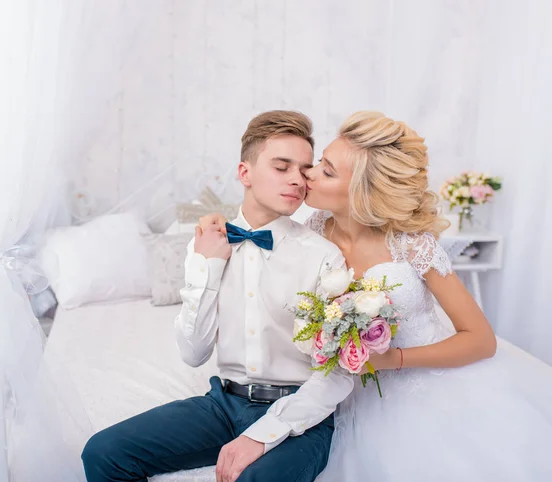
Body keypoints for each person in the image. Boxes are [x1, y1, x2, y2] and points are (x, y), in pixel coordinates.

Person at [199, 111, 552, 481]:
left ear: (361, 191)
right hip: (349, 391)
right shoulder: (312, 232)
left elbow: (481, 340)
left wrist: (393, 359)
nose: (309, 174)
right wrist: (218, 225)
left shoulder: (412, 245)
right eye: (320, 162)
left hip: (429, 384)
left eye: (327, 170)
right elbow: (263, 249)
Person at [80, 110, 358, 482]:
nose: (297, 180)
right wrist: (209, 267)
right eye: (281, 166)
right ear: (245, 173)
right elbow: (193, 354)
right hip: (223, 404)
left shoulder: (323, 255)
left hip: (299, 412)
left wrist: (262, 437)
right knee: (103, 453)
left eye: (304, 169)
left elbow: (338, 375)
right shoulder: (207, 244)